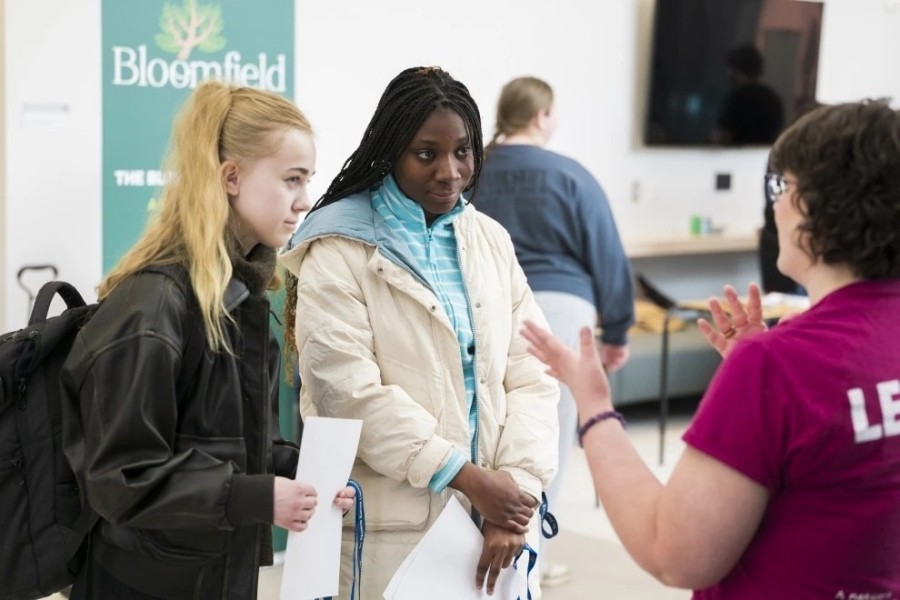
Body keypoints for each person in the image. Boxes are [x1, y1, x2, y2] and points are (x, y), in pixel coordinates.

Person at [522, 99, 900, 597]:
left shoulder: (778, 366)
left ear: (814, 203)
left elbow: (673, 556)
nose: (774, 205)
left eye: (779, 186)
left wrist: (593, 405)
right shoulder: (784, 363)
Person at [60, 80, 355, 600]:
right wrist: (258, 497)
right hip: (138, 584)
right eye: (291, 179)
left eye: (306, 181)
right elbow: (119, 477)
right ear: (232, 177)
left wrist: (307, 473)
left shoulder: (242, 301)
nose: (304, 201)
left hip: (215, 575)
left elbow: (242, 444)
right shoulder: (152, 306)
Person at [280, 66, 559, 599]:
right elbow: (349, 394)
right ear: (391, 151)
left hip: (498, 525)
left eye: (463, 152)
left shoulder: (490, 242)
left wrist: (514, 496)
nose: (450, 172)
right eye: (426, 154)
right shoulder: (340, 249)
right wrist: (470, 478)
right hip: (393, 529)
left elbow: (532, 375)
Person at [476, 75, 634, 587]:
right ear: (542, 115)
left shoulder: (470, 168)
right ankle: (531, 559)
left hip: (487, 304)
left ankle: (475, 543)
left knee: (483, 425)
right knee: (549, 436)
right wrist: (618, 330)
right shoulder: (572, 176)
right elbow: (607, 253)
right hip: (563, 311)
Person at [712, 45, 784, 146]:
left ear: (734, 70)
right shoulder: (773, 99)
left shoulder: (735, 98)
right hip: (764, 158)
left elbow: (721, 137)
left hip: (735, 158)